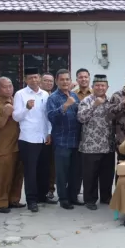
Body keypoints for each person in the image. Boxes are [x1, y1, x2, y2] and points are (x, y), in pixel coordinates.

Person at [13, 67, 52, 212]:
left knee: (44, 169)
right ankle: (31, 200)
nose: (34, 80)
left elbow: (47, 116)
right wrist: (27, 108)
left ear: (40, 78)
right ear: (25, 80)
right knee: (30, 171)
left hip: (43, 137)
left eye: (36, 77)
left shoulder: (45, 94)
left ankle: (42, 196)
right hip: (28, 138)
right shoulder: (20, 94)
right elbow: (16, 117)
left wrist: (49, 132)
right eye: (30, 78)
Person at [77, 74, 115, 209]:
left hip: (107, 145)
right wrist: (94, 105)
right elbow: (81, 118)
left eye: (103, 85)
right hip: (90, 146)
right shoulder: (86, 100)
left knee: (107, 175)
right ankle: (90, 200)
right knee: (90, 175)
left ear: (107, 87)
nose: (100, 88)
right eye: (97, 85)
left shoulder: (111, 101)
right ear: (92, 87)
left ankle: (106, 197)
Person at [46, 69, 81, 209]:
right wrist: (65, 106)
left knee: (75, 172)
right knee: (62, 173)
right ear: (57, 81)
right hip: (62, 141)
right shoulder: (53, 98)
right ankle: (63, 198)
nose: (65, 82)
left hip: (76, 140)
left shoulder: (74, 95)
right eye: (62, 79)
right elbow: (51, 117)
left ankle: (73, 196)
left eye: (67, 79)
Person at [0, 77, 25, 214]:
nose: (9, 89)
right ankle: (0, 202)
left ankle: (14, 200)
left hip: (19, 142)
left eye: (10, 86)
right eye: (5, 87)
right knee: (3, 175)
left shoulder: (17, 100)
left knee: (18, 173)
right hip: (3, 145)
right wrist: (5, 114)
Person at [40, 72, 58, 203]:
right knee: (43, 165)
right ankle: (41, 191)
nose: (48, 83)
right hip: (42, 136)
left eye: (51, 81)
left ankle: (50, 190)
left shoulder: (55, 96)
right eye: (45, 81)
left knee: (53, 165)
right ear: (40, 82)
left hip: (56, 135)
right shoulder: (38, 96)